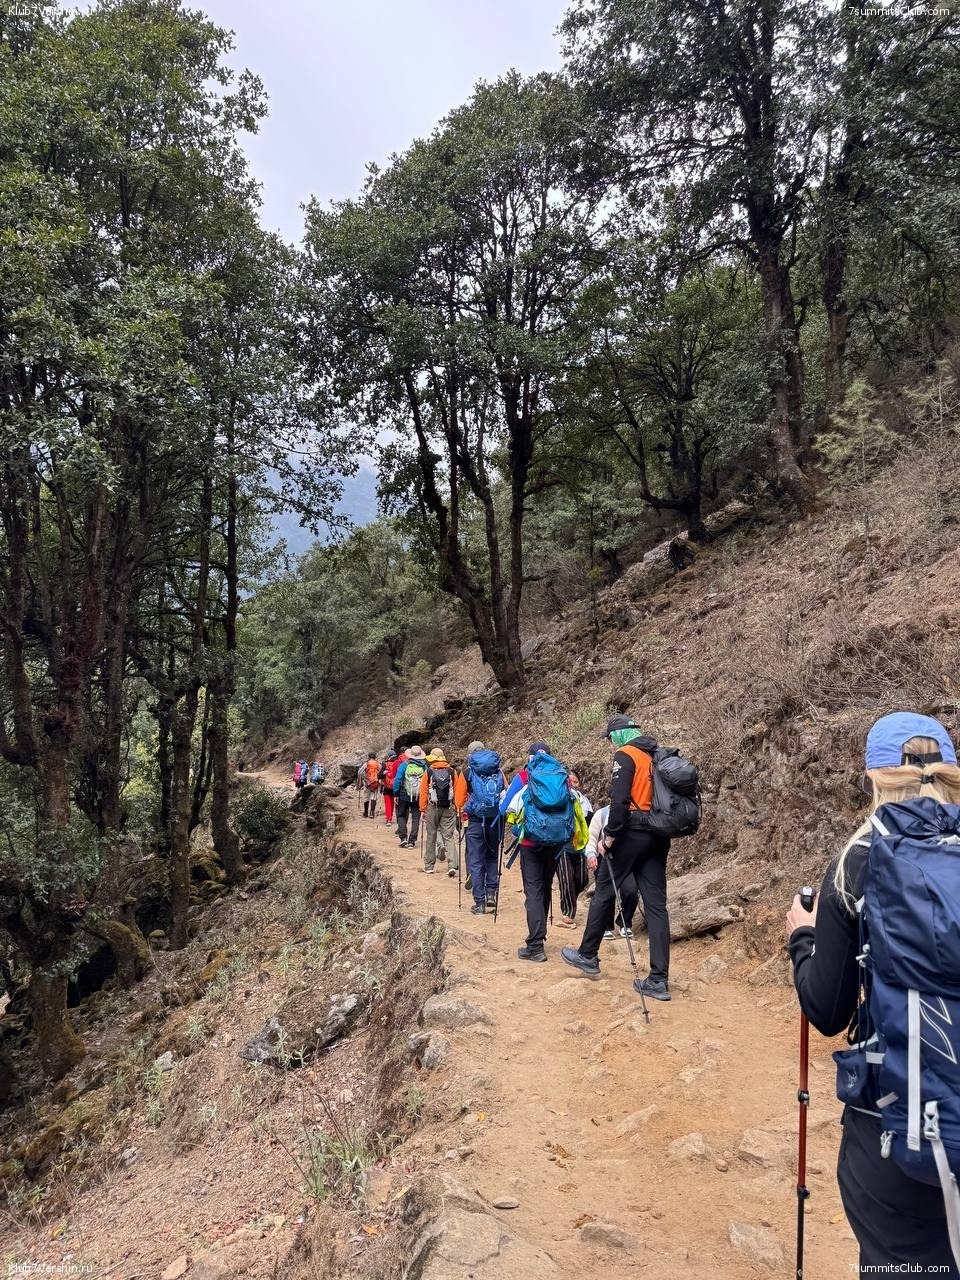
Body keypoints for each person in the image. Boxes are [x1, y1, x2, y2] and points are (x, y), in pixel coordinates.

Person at [787, 712, 960, 1277]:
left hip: (893, 1127)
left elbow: (827, 1009)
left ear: (872, 778)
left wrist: (803, 938)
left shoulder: (859, 861)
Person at [561, 715, 671, 1000]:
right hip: (659, 834)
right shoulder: (656, 753)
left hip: (631, 833)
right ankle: (659, 980)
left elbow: (619, 801)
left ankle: (588, 954)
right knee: (657, 906)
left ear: (620, 734)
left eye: (611, 737)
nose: (611, 742)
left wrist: (608, 836)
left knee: (604, 892)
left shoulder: (626, 754)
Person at [501, 743, 584, 962]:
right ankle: (540, 935)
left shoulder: (524, 776)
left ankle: (535, 945)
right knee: (545, 886)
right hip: (557, 842)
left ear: (530, 757)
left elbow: (504, 808)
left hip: (531, 843)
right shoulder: (563, 777)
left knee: (534, 890)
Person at [454, 741, 506, 915]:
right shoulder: (497, 770)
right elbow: (505, 793)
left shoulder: (467, 772)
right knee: (492, 856)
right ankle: (491, 893)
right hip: (495, 820)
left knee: (476, 860)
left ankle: (479, 902)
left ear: (470, 755)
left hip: (476, 821)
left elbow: (459, 801)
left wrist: (466, 809)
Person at [553, 771, 593, 929]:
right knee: (566, 878)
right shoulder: (558, 800)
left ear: (580, 784)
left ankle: (570, 899)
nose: (573, 785)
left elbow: (590, 823)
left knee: (582, 879)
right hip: (562, 846)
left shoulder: (584, 802)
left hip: (580, 847)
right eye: (570, 782)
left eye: (576, 782)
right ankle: (568, 912)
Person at [420, 749, 458, 877]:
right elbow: (457, 790)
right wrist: (457, 806)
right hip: (448, 807)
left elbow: (423, 792)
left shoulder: (429, 771)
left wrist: (422, 809)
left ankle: (429, 866)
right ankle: (452, 865)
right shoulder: (452, 771)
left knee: (431, 834)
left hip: (432, 807)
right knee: (448, 836)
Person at [393, 745, 427, 848]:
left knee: (401, 815)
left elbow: (398, 779)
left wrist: (396, 793)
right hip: (418, 795)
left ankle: (403, 838)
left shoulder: (404, 765)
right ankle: (412, 841)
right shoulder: (424, 767)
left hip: (404, 794)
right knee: (416, 818)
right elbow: (427, 781)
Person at [379, 750, 399, 826]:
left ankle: (388, 819)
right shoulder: (398, 764)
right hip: (395, 787)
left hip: (387, 787)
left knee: (388, 804)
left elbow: (379, 776)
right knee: (392, 803)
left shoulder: (385, 764)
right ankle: (391, 817)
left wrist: (384, 773)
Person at [359, 752, 380, 819]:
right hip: (375, 783)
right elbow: (381, 772)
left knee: (366, 797)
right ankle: (372, 813)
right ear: (375, 757)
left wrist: (365, 780)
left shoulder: (366, 764)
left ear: (368, 757)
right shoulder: (378, 764)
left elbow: (360, 772)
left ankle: (365, 813)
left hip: (367, 784)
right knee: (373, 797)